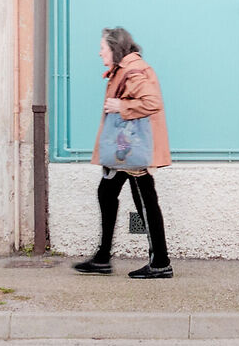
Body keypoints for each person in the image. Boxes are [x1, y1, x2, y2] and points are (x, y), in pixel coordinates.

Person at [73, 26, 172, 279]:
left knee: (145, 201)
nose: (99, 53)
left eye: (103, 48)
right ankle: (103, 258)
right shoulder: (124, 69)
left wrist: (122, 105)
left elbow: (152, 103)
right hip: (123, 149)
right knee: (106, 193)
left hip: (130, 151)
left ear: (115, 49)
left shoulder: (134, 70)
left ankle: (160, 263)